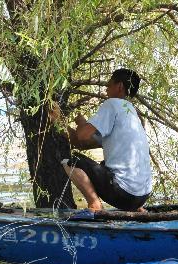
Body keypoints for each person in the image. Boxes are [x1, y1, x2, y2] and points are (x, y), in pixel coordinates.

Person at [61, 68, 152, 212]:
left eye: (109, 84)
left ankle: (94, 205)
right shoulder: (131, 112)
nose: (106, 88)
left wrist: (80, 123)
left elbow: (81, 135)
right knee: (105, 165)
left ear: (120, 87)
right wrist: (61, 122)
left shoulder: (113, 104)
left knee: (71, 161)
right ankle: (138, 208)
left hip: (124, 195)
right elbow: (80, 143)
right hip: (143, 196)